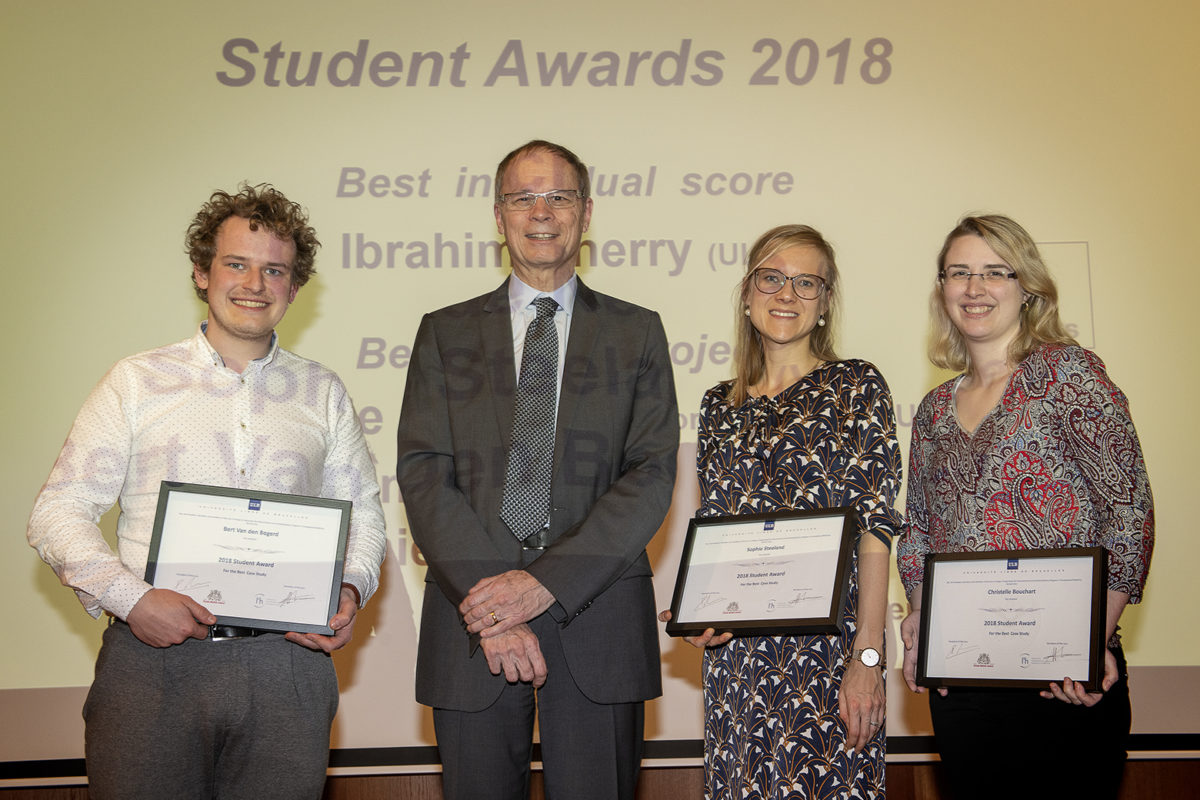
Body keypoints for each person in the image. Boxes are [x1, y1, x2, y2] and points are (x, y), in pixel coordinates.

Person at [27, 184, 387, 800]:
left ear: (294, 287)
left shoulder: (323, 393)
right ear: (202, 271)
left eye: (274, 270)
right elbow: (57, 512)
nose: (254, 283)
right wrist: (133, 599)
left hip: (287, 666)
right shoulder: (135, 382)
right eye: (236, 263)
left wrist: (348, 590)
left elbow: (365, 520)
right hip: (152, 663)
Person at [396, 140, 678, 800]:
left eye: (559, 196)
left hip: (598, 623)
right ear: (499, 217)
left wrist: (544, 584)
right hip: (473, 626)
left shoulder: (637, 332)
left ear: (587, 213)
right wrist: (496, 605)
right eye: (524, 197)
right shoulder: (444, 333)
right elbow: (424, 473)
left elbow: (650, 474)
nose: (542, 211)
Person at [897, 214, 1154, 800]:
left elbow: (1129, 511)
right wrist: (919, 614)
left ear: (1028, 287)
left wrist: (1091, 640)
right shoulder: (934, 409)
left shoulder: (1068, 374)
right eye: (959, 273)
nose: (974, 288)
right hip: (963, 679)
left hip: (1060, 677)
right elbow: (919, 531)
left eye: (995, 272)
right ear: (942, 288)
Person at [661, 224, 901, 799]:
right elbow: (720, 530)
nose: (787, 294)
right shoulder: (718, 405)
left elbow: (875, 528)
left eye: (806, 282)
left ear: (825, 303)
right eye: (771, 278)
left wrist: (868, 656)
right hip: (738, 665)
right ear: (747, 295)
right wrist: (702, 609)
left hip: (830, 657)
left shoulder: (856, 385)